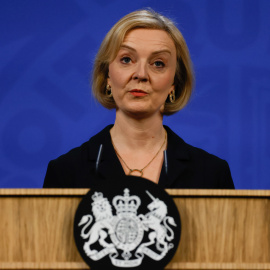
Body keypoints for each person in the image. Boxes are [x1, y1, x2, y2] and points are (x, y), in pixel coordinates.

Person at [43, 9, 234, 189]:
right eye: (126, 59)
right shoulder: (65, 172)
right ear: (107, 76)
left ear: (174, 84)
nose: (141, 74)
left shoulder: (212, 174)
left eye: (158, 63)